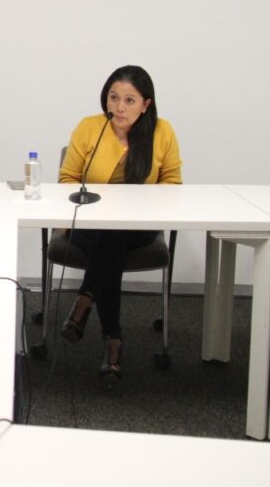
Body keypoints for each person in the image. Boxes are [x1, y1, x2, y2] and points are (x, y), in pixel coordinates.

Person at [58, 65, 181, 389]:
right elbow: (67, 179)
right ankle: (113, 341)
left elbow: (173, 183)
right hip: (89, 225)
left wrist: (143, 206)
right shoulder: (90, 127)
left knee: (114, 234)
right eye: (114, 98)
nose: (119, 107)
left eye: (129, 100)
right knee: (109, 238)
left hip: (139, 227)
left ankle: (85, 302)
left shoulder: (162, 132)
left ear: (146, 104)